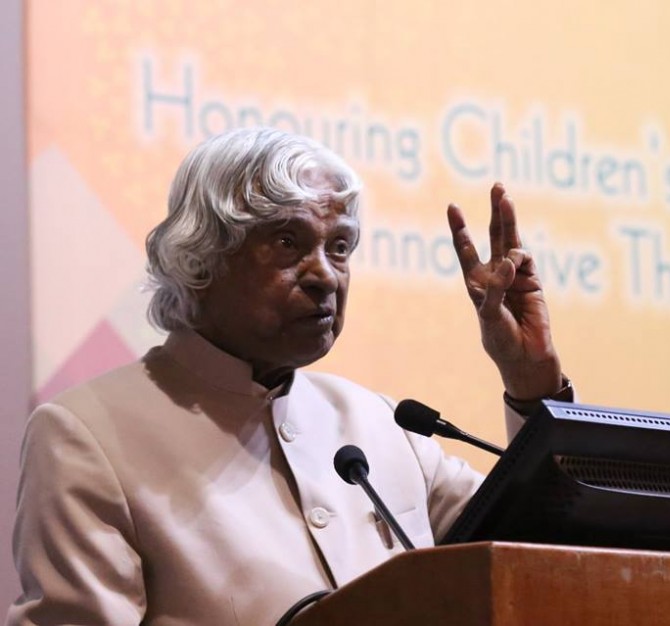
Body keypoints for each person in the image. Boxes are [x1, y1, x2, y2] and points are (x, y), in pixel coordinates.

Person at [7, 128, 571, 625]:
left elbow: (551, 552)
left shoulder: (385, 425)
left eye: (340, 247)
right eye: (286, 242)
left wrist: (533, 386)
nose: (325, 276)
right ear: (199, 256)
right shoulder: (88, 436)